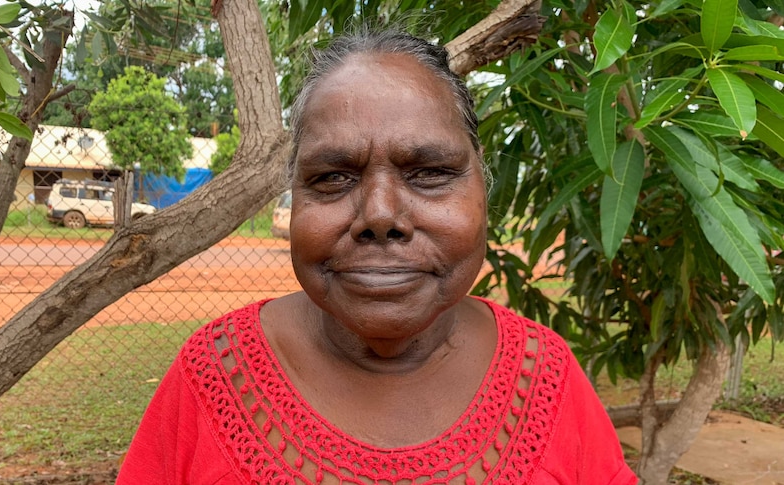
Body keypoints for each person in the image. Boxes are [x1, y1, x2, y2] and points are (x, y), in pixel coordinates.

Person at [116, 29, 637, 484]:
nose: (381, 215)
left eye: (429, 173)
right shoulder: (212, 379)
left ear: (485, 190)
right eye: (333, 177)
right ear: (295, 197)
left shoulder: (547, 377)